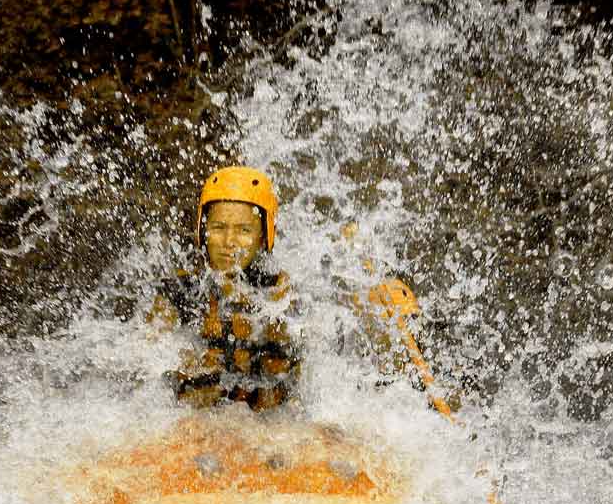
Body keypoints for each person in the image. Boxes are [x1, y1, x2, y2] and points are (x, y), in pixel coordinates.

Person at [147, 165, 454, 414]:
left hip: (275, 428)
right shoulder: (180, 293)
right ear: (203, 229)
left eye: (244, 230)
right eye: (218, 228)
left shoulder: (283, 292)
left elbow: (336, 318)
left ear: (263, 235)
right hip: (202, 426)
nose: (230, 242)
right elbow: (146, 355)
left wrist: (373, 300)